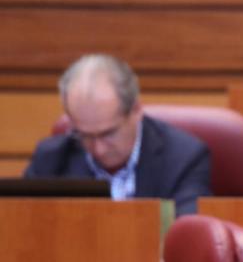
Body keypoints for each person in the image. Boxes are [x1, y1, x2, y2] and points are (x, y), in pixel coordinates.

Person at [24, 54, 211, 216]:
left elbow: (187, 234)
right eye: (84, 135)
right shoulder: (50, 159)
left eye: (108, 133)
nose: (98, 149)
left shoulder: (184, 158)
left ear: (136, 110)